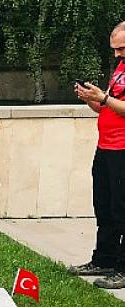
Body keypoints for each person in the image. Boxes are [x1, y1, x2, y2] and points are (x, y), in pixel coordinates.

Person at [70, 21, 125, 289]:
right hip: (106, 148)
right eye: (114, 49)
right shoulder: (120, 69)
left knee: (122, 210)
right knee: (104, 207)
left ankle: (123, 269)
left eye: (122, 49)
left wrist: (103, 98)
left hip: (123, 150)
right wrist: (91, 99)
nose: (116, 55)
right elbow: (109, 108)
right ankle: (104, 258)